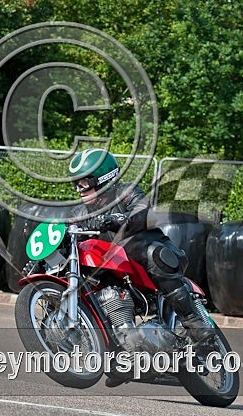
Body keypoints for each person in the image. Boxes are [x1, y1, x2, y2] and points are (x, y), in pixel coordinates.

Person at [68, 149, 214, 385]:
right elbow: (68, 233)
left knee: (152, 251)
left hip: (143, 261)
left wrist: (117, 220)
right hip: (112, 272)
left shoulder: (125, 192)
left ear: (102, 178)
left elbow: (143, 212)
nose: (79, 189)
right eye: (76, 184)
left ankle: (194, 323)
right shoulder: (78, 213)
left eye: (83, 183)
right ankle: (120, 353)